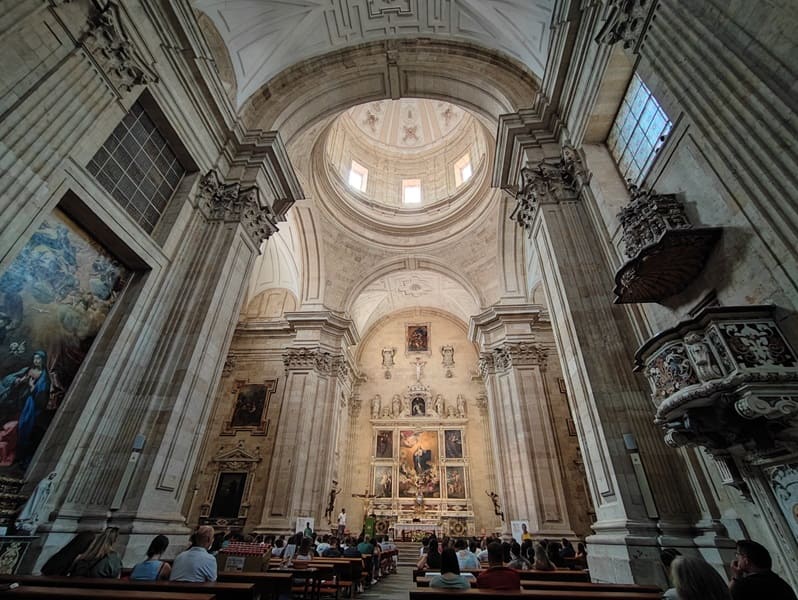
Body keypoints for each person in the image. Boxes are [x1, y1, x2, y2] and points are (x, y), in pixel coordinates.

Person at [729, 540, 797, 600]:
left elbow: (725, 596)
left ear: (746, 560)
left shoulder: (744, 586)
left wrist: (736, 577)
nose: (736, 558)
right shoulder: (782, 585)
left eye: (737, 555)